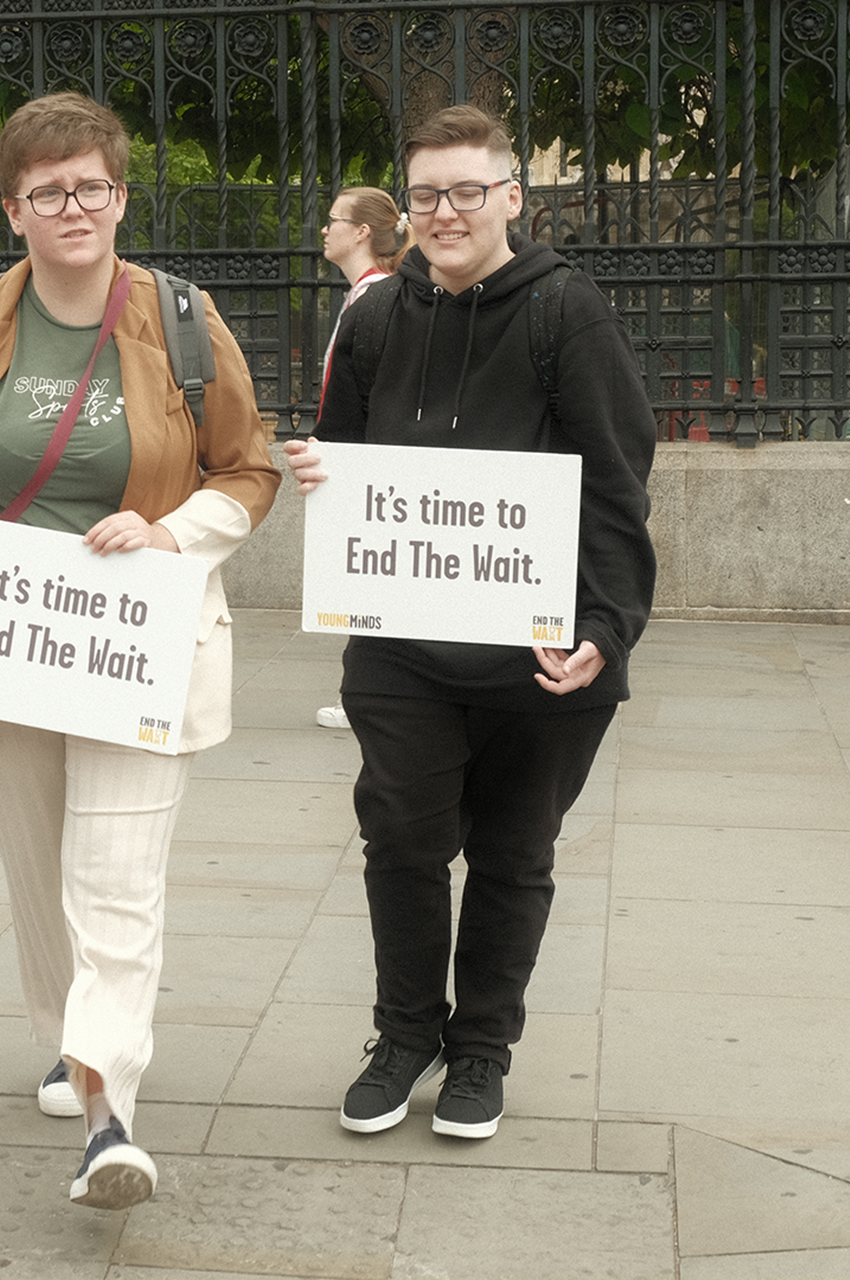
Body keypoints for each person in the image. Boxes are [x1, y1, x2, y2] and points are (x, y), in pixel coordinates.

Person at [0, 92, 279, 1209]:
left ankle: (111, 1116)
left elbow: (245, 471)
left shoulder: (185, 320)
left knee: (117, 877)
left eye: (93, 185)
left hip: (137, 645)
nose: (75, 206)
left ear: (119, 193)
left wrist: (168, 530)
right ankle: (71, 1035)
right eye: (49, 189)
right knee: (41, 877)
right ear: (13, 208)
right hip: (8, 648)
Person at [286, 104, 655, 1141]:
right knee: (399, 837)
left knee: (512, 849)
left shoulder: (565, 313)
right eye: (427, 194)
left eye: (466, 191)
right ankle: (405, 1034)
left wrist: (608, 624)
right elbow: (344, 459)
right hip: (403, 644)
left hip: (538, 650)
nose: (445, 213)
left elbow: (619, 482)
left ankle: (481, 1050)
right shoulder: (373, 317)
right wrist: (322, 474)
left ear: (510, 199)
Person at [314, 186, 411, 730]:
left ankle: (364, 694)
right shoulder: (366, 294)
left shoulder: (374, 298)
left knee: (371, 582)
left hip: (365, 464)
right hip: (358, 460)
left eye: (334, 220)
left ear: (362, 232)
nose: (325, 229)